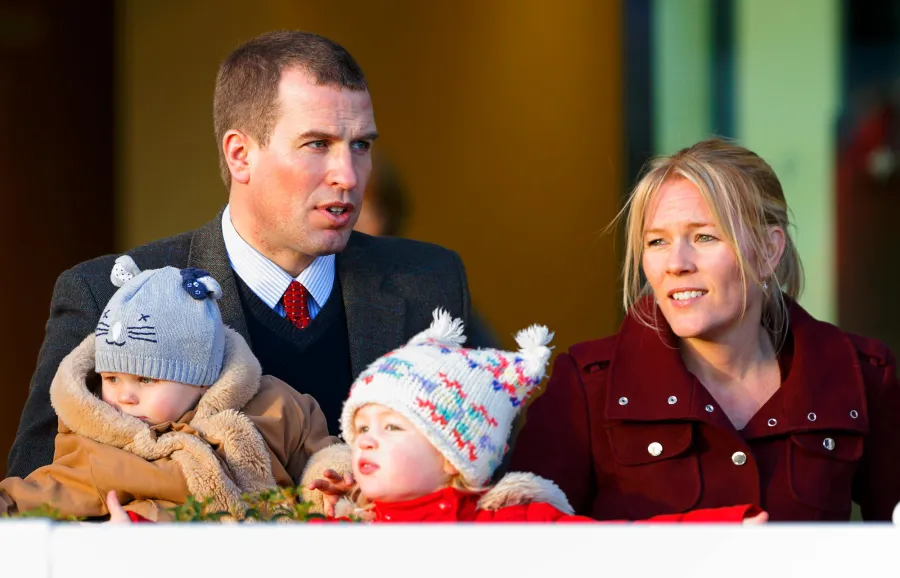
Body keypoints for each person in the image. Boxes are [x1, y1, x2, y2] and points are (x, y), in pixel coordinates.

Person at [8, 30, 493, 479]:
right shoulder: (106, 295)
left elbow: (479, 480)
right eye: (317, 144)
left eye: (360, 145)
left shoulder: (428, 282)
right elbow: (34, 497)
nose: (348, 175)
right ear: (240, 155)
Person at [509, 137, 900, 522]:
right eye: (657, 241)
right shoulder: (587, 386)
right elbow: (520, 542)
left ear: (768, 250)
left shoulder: (859, 376)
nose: (676, 263)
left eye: (704, 237)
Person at [309, 309, 765, 524]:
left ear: (452, 456)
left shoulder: (513, 524)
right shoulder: (337, 534)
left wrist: (724, 529)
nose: (366, 440)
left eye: (392, 427)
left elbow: (619, 549)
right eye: (361, 428)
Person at [0, 257, 344, 521]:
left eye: (146, 379)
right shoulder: (100, 450)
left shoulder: (275, 407)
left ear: (202, 378)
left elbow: (322, 455)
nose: (125, 396)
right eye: (111, 379)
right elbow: (38, 493)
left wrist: (334, 486)